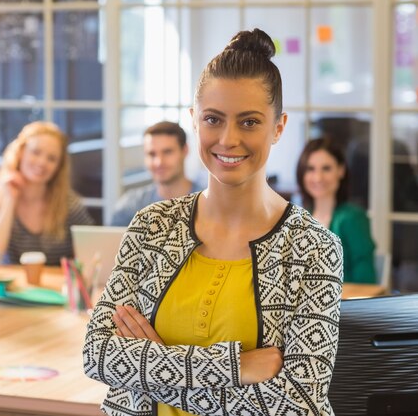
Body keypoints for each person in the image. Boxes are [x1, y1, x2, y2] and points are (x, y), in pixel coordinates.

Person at [83, 28, 343, 415]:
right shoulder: (151, 226)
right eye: (213, 119)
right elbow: (97, 354)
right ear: (194, 120)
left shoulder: (313, 248)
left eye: (250, 122)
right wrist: (236, 366)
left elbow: (296, 403)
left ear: (279, 127)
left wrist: (151, 369)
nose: (228, 139)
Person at [0, 121, 94, 266]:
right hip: (11, 286)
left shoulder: (69, 205)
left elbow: (91, 255)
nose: (42, 162)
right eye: (35, 152)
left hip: (56, 287)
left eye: (51, 158)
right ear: (21, 153)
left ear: (58, 167)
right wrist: (9, 201)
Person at [296, 137, 376, 284]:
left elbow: (366, 284)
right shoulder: (298, 218)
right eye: (310, 169)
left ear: (341, 170)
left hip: (345, 305)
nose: (318, 177)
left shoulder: (353, 219)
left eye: (326, 168)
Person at [110, 121, 205, 226]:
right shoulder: (131, 206)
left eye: (167, 152)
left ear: (185, 150)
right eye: (152, 154)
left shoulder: (206, 203)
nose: (159, 162)